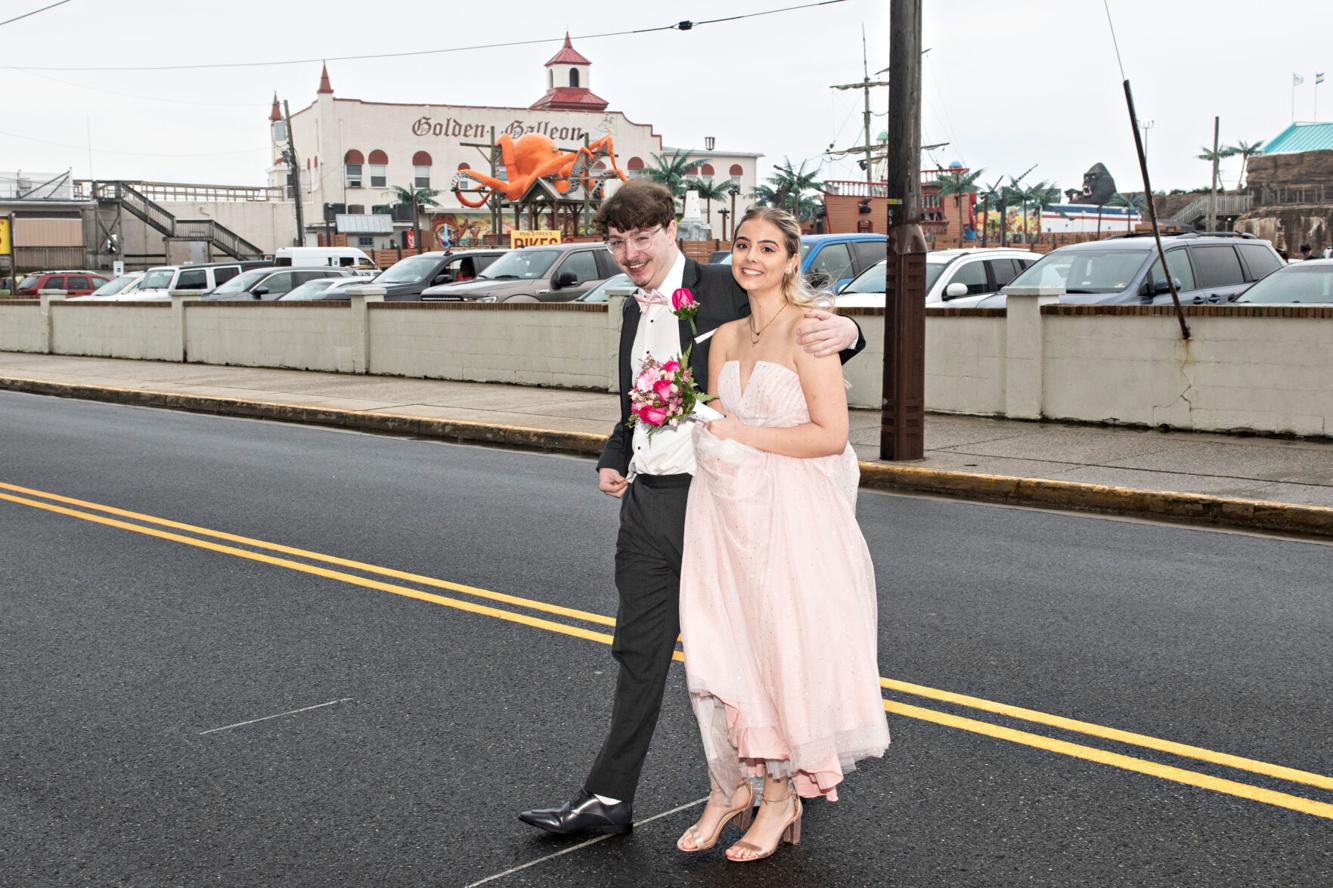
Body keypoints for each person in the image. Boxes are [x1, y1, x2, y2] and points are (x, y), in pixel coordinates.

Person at [518, 180, 865, 836]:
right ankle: (608, 799)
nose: (629, 253)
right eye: (616, 242)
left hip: (718, 502)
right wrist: (613, 453)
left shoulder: (724, 288)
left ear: (671, 227)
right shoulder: (630, 310)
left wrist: (846, 328)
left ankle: (774, 789)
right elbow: (636, 406)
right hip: (648, 503)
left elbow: (808, 324)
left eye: (641, 237)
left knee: (745, 656)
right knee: (638, 651)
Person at [673, 206, 890, 862]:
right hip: (727, 516)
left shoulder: (811, 333)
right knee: (728, 651)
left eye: (768, 248)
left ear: (792, 260)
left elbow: (829, 436)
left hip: (792, 519)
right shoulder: (723, 339)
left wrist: (739, 434)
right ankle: (735, 784)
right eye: (742, 245)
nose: (751, 257)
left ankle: (779, 798)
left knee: (780, 653)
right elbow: (713, 420)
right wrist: (699, 428)